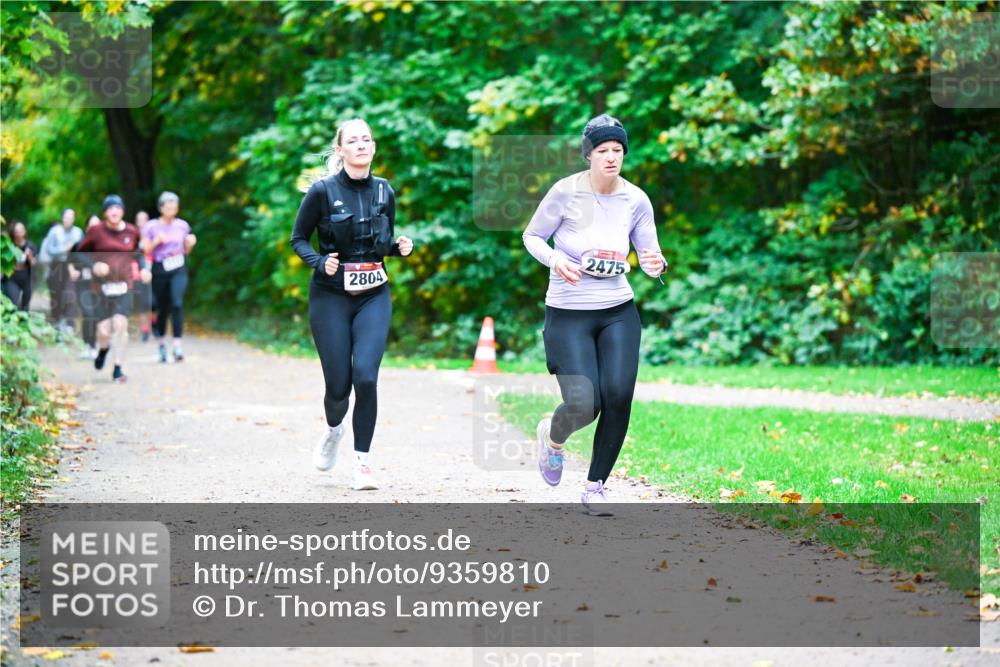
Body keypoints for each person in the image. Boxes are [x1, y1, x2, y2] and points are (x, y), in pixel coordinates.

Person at [522, 114, 667, 516]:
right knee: (586, 404)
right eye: (602, 150)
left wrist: (656, 265)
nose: (610, 157)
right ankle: (552, 439)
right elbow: (532, 236)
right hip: (568, 312)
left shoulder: (636, 199)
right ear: (589, 155)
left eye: (617, 150)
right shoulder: (565, 193)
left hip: (618, 310)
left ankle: (595, 486)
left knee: (619, 397)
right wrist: (555, 261)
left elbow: (650, 252)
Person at [290, 118, 414, 491]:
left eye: (366, 139)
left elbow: (381, 242)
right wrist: (318, 261)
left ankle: (363, 464)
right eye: (353, 141)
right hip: (330, 295)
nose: (361, 145)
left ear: (373, 147)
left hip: (374, 294)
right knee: (339, 387)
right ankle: (332, 430)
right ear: (341, 149)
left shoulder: (384, 191)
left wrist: (398, 247)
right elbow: (298, 239)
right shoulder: (322, 192)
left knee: (366, 377)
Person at [77, 195, 151, 383]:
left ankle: (118, 369)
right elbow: (80, 254)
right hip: (100, 288)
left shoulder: (132, 231)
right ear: (105, 213)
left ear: (122, 211)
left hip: (124, 286)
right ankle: (103, 350)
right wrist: (93, 266)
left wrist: (144, 269)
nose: (114, 212)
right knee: (104, 331)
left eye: (117, 208)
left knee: (120, 325)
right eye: (110, 209)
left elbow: (139, 254)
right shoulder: (96, 231)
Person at [142, 194, 195, 362]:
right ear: (161, 208)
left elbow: (186, 250)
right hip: (160, 269)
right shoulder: (151, 226)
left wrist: (189, 244)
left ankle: (178, 346)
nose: (171, 210)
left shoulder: (182, 226)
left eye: (174, 207)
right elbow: (145, 251)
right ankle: (162, 343)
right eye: (168, 207)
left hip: (178, 267)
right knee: (162, 308)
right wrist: (156, 241)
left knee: (177, 303)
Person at [38, 208, 82, 331]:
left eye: (71, 216)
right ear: (62, 218)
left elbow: (82, 250)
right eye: (67, 217)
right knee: (56, 297)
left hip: (72, 267)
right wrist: (64, 249)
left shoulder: (78, 232)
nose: (69, 219)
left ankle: (69, 325)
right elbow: (50, 250)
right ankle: (57, 322)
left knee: (71, 295)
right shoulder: (54, 231)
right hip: (56, 267)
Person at [69, 215, 102, 359]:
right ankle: (89, 346)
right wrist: (72, 270)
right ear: (87, 227)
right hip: (82, 283)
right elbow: (69, 258)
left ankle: (92, 345)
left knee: (95, 315)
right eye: (92, 225)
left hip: (99, 285)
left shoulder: (104, 245)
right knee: (88, 313)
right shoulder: (79, 244)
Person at [2, 220, 38, 310]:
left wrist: (30, 257)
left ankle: (24, 321)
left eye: (21, 230)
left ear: (25, 231)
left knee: (25, 305)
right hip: (12, 278)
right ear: (13, 233)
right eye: (16, 231)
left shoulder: (30, 246)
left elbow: (34, 264)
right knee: (13, 303)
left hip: (27, 278)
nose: (19, 233)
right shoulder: (9, 246)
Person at [133, 210, 154, 342]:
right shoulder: (132, 236)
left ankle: (155, 325)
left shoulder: (153, 235)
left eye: (144, 220)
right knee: (141, 303)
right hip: (136, 274)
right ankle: (145, 329)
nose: (141, 223)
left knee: (153, 302)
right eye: (139, 220)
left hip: (154, 272)